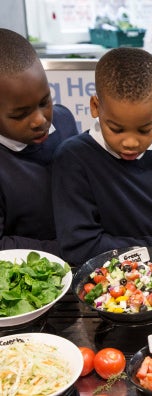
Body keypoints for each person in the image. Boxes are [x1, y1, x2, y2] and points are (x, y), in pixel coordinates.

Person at [52, 47, 152, 266]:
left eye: (144, 129)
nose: (130, 143)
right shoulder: (74, 157)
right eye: (116, 129)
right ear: (95, 107)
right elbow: (81, 248)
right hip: (116, 287)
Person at [0, 28, 79, 255]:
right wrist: (69, 248)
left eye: (45, 102)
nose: (39, 120)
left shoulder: (64, 122)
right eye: (19, 114)